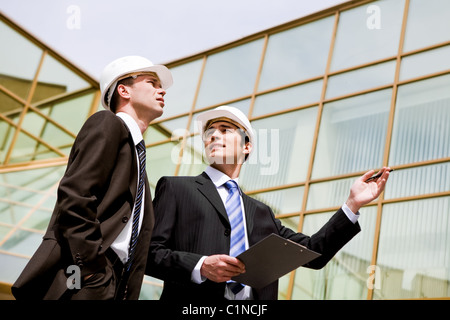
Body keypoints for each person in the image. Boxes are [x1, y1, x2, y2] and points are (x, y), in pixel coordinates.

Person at [147, 105, 391, 300]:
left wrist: (352, 204)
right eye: (209, 133)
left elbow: (314, 253)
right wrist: (200, 266)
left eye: (224, 129)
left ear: (247, 146)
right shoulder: (177, 188)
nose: (214, 136)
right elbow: (149, 255)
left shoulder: (262, 212)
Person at [12, 56, 173, 300]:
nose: (161, 90)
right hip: (86, 275)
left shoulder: (138, 159)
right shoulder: (108, 123)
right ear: (123, 90)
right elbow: (75, 195)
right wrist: (91, 270)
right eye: (152, 82)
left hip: (117, 283)